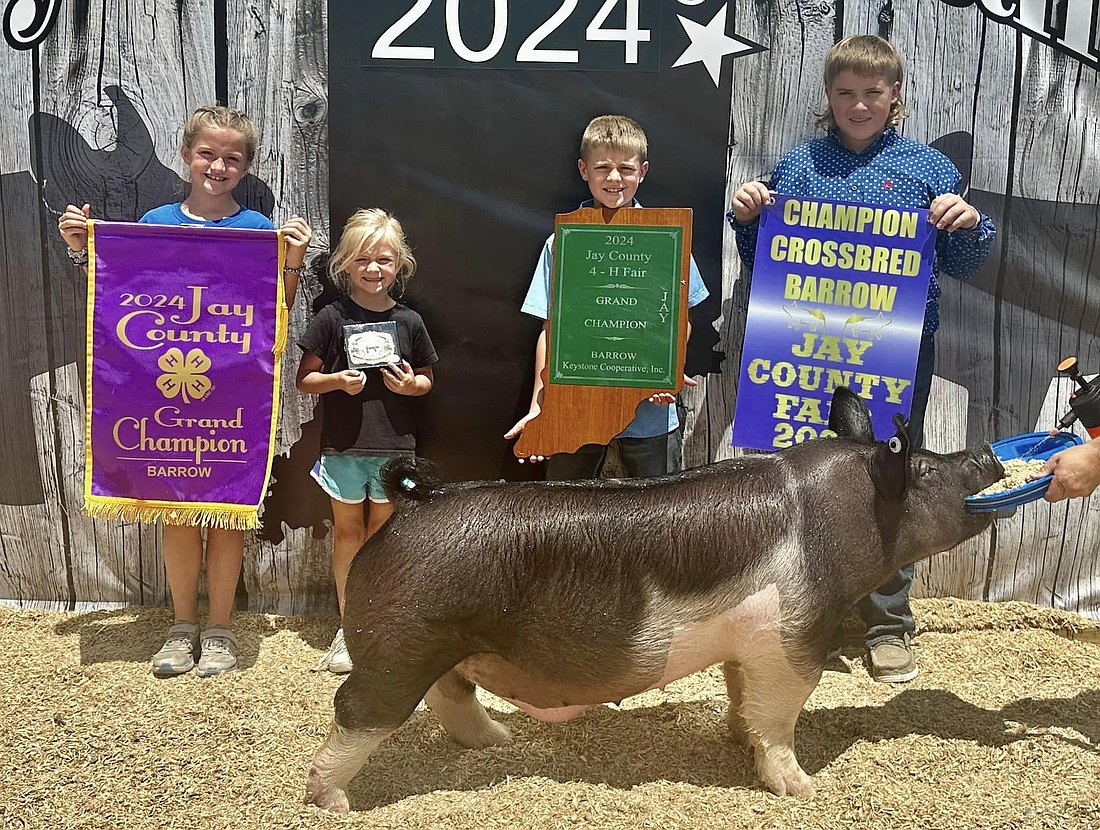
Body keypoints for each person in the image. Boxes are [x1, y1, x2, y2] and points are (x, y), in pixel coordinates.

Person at [727, 35, 996, 683]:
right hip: (804, 348)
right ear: (828, 96)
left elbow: (962, 263)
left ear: (895, 95)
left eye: (871, 93)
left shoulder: (927, 170)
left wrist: (970, 223)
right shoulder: (796, 167)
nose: (858, 104)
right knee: (800, 474)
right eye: (845, 92)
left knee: (889, 476)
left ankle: (888, 623)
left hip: (897, 352)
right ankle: (804, 616)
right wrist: (745, 217)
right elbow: (765, 258)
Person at [58, 105, 312, 678]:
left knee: (225, 518)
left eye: (232, 157)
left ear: (246, 166)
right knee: (177, 515)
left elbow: (276, 316)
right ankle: (180, 629)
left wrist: (291, 261)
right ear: (186, 154)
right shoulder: (156, 220)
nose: (218, 165)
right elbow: (121, 293)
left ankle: (219, 632)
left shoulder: (256, 231)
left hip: (231, 402)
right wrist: (85, 245)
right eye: (208, 153)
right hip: (166, 403)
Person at [506, 114, 710, 478]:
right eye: (603, 167)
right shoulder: (562, 242)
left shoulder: (668, 239)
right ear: (584, 170)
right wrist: (541, 404)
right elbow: (550, 329)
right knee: (566, 516)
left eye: (625, 168)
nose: (614, 178)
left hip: (650, 413)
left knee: (658, 518)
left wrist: (669, 374)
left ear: (642, 171)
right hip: (575, 410)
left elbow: (682, 320)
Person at [296, 208, 437, 673]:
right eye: (362, 260)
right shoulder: (331, 317)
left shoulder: (410, 321)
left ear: (400, 265)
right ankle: (349, 625)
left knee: (382, 537)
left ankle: (378, 623)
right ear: (344, 265)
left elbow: (425, 381)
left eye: (384, 260)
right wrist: (337, 381)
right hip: (343, 447)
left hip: (395, 447)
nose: (373, 269)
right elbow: (305, 380)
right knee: (348, 534)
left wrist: (408, 387)